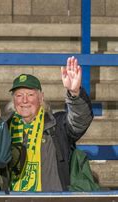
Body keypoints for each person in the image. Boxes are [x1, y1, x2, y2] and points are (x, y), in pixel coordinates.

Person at [5, 56, 93, 191]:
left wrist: (75, 93)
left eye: (30, 94)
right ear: (13, 100)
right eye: (19, 95)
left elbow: (80, 120)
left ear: (41, 98)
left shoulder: (56, 125)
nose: (24, 100)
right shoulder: (5, 128)